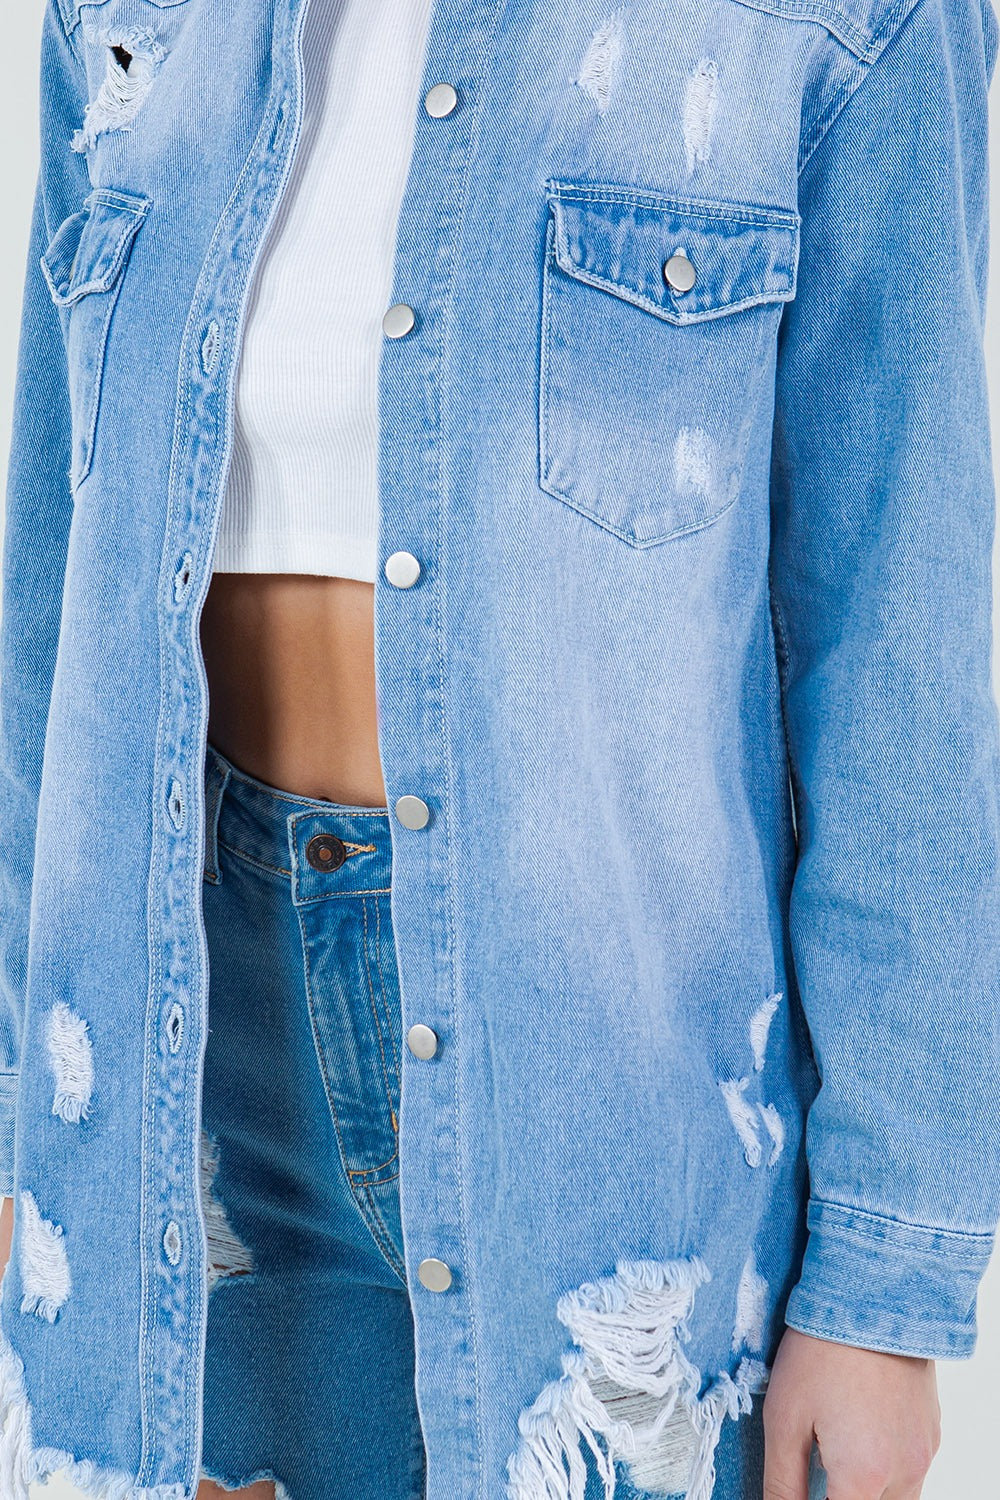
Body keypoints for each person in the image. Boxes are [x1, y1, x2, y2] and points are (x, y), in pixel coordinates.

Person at [0, 0, 997, 1497]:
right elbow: (50, 591)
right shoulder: (134, 21)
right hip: (189, 1074)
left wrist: (879, 1292)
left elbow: (902, 652)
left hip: (606, 1107)